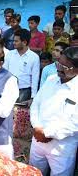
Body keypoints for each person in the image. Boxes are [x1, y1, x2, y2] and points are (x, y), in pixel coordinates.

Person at [29, 46, 78, 176]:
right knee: (34, 173)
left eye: (65, 67)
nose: (59, 68)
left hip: (62, 149)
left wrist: (47, 133)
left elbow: (75, 124)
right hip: (38, 140)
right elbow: (36, 105)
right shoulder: (51, 80)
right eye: (58, 63)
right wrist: (37, 127)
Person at [4, 29, 40, 104]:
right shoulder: (9, 54)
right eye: (14, 41)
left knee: (20, 114)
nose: (13, 43)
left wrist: (33, 97)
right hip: (9, 90)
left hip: (24, 91)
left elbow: (35, 78)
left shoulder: (34, 57)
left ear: (24, 42)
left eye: (16, 41)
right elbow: (4, 73)